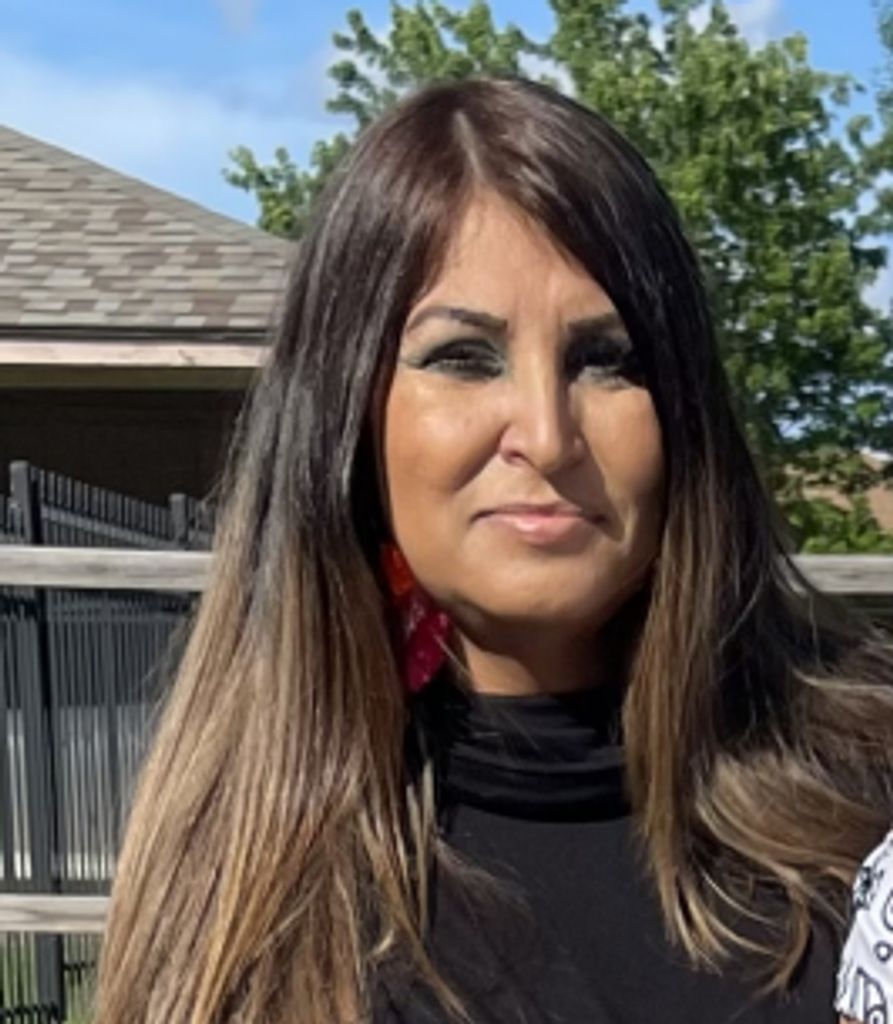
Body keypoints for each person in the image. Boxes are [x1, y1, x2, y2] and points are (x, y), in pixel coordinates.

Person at [94, 77, 893, 1024]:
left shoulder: (870, 803)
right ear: (348, 416)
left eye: (608, 360)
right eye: (462, 359)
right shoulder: (243, 905)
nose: (547, 437)